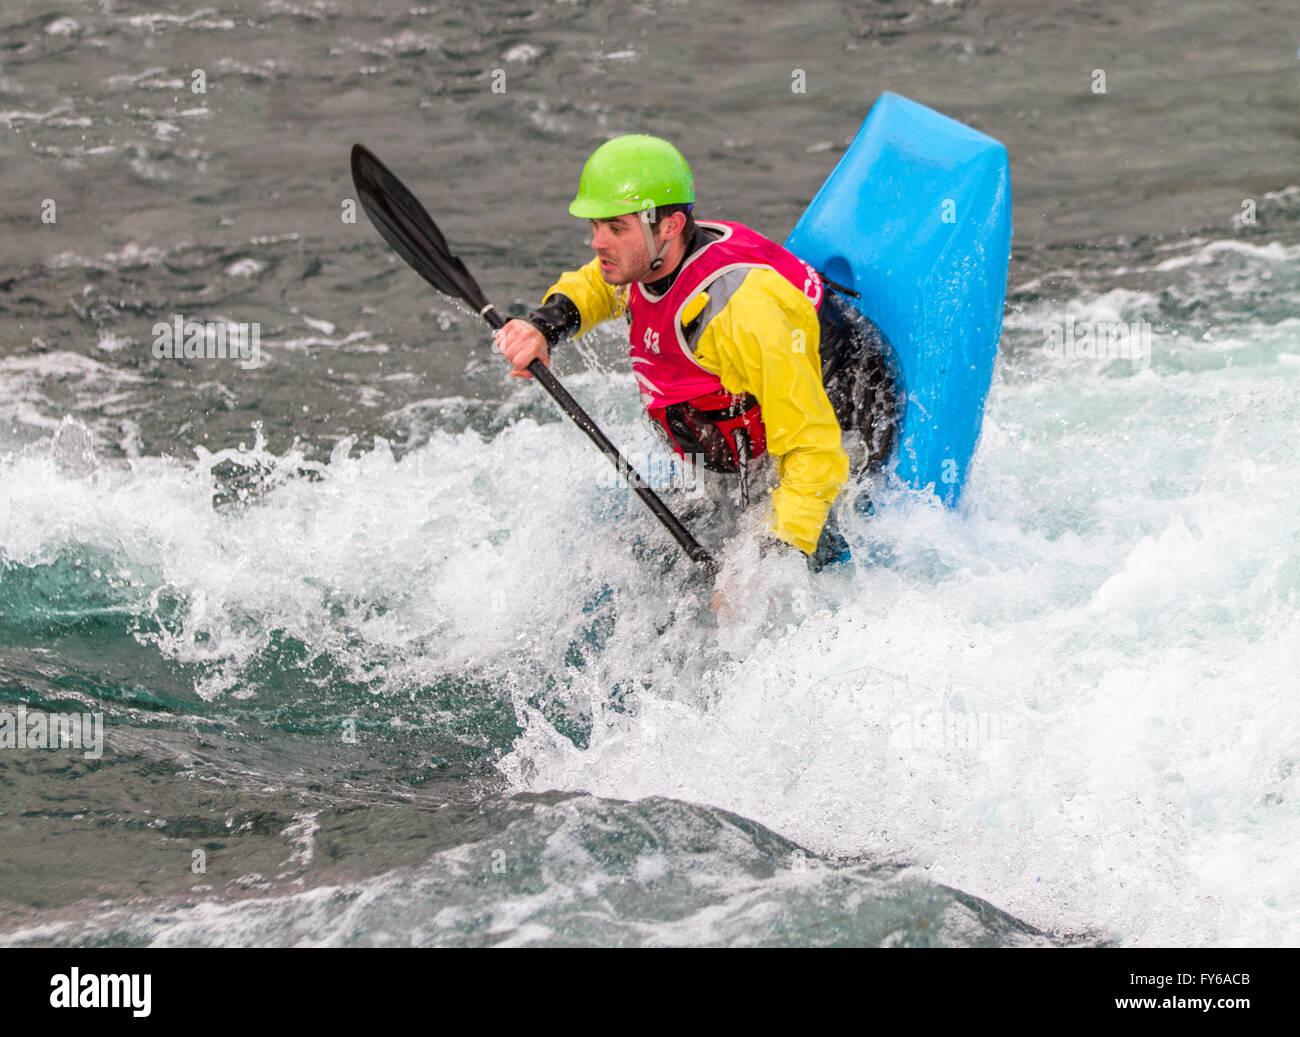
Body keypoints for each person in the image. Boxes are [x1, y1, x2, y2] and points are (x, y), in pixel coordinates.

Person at [493, 134, 897, 570]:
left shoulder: (741, 310)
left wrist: (772, 562)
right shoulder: (643, 262)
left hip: (844, 424)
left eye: (615, 228)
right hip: (748, 446)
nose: (597, 243)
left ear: (669, 227)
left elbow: (815, 449)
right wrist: (542, 327)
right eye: (595, 226)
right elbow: (594, 285)